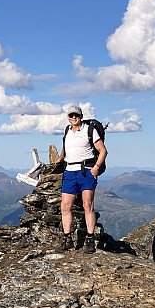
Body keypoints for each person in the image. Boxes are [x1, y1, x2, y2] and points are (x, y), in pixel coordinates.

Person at [55, 105, 107, 253]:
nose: (73, 117)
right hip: (70, 171)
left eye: (76, 115)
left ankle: (90, 240)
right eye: (71, 115)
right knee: (65, 206)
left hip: (86, 171)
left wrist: (96, 167)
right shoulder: (67, 131)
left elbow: (103, 150)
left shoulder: (90, 130)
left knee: (87, 205)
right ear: (68, 117)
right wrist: (61, 158)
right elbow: (66, 146)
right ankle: (67, 239)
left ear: (81, 116)